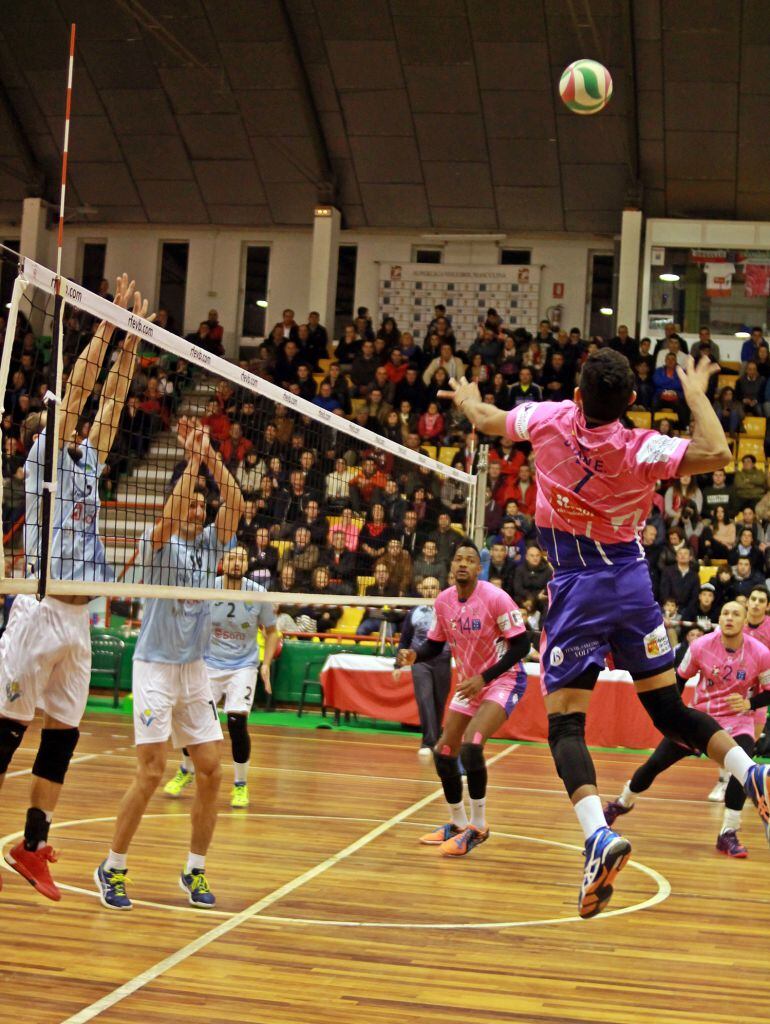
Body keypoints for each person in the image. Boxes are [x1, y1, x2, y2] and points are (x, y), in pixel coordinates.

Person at [440, 350, 770, 919]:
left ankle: (597, 836)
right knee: (668, 709)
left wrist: (468, 399)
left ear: (576, 393)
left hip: (578, 590)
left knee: (566, 722)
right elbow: (717, 451)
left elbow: (489, 420)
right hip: (634, 585)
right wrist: (693, 392)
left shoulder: (546, 419)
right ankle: (751, 770)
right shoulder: (643, 447)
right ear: (632, 404)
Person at [0, 276, 144, 901]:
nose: (81, 428)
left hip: (81, 623)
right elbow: (84, 389)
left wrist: (133, 343)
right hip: (40, 610)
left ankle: (32, 848)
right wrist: (106, 326)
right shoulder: (43, 457)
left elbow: (109, 402)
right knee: (7, 730)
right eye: (68, 424)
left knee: (61, 737)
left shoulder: (86, 462)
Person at [94, 417, 245, 911]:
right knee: (152, 771)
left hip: (193, 668)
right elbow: (174, 509)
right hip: (155, 666)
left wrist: (212, 456)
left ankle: (194, 871)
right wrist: (193, 461)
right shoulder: (157, 543)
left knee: (210, 770)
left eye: (202, 504)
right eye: (193, 502)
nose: (199, 508)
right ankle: (112, 866)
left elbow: (236, 505)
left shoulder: (207, 549)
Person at [604, 602, 770, 858]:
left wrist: (749, 703)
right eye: (725, 613)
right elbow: (678, 680)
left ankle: (728, 832)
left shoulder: (760, 653)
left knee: (741, 772)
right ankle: (622, 803)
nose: (729, 618)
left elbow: (768, 691)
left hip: (737, 721)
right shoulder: (701, 645)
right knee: (653, 766)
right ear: (719, 617)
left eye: (736, 614)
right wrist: (674, 718)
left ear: (745, 619)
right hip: (699, 721)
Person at [397, 542, 530, 857]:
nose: (463, 564)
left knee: (472, 746)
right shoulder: (443, 601)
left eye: (470, 560)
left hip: (502, 680)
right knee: (444, 752)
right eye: (458, 558)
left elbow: (522, 646)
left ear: (478, 568)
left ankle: (479, 825)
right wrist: (414, 655)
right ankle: (457, 824)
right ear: (450, 565)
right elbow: (433, 645)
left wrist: (484, 678)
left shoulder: (496, 598)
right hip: (469, 685)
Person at [163, 545, 278, 809]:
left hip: (243, 666)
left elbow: (272, 632)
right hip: (209, 664)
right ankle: (186, 770)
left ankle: (240, 785)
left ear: (246, 565)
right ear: (223, 562)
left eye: (241, 559)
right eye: (232, 558)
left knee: (237, 722)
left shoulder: (258, 594)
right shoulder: (206, 588)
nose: (236, 563)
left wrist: (266, 664)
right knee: (194, 720)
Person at [395, 577, 451, 756]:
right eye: (426, 588)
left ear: (439, 590)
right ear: (421, 590)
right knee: (424, 699)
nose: (429, 591)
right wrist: (397, 664)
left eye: (433, 587)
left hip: (443, 660)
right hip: (419, 661)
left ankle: (436, 739)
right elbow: (404, 639)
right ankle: (428, 743)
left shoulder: (449, 610)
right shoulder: (414, 612)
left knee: (439, 701)